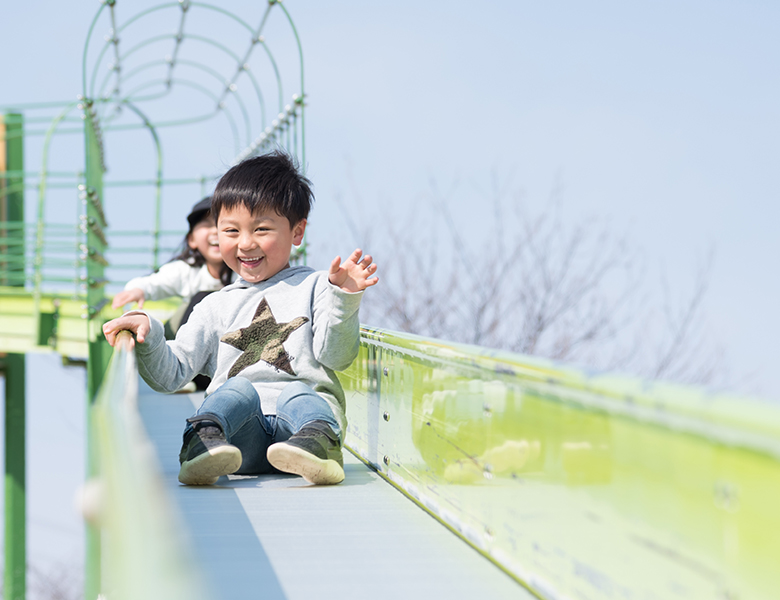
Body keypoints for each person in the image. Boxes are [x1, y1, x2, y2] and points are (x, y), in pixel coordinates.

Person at [102, 151, 379, 487]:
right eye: (231, 231)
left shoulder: (319, 287)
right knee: (236, 390)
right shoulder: (214, 306)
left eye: (262, 229)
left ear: (297, 231)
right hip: (239, 443)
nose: (246, 243)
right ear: (217, 234)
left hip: (301, 435)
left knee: (299, 393)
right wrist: (151, 333)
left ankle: (320, 444)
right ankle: (203, 444)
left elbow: (337, 356)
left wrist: (343, 299)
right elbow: (171, 375)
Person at [111, 195, 230, 316]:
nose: (215, 230)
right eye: (207, 224)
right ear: (192, 239)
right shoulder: (187, 271)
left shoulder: (245, 270)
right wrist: (137, 290)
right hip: (199, 329)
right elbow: (153, 282)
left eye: (222, 225)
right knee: (199, 301)